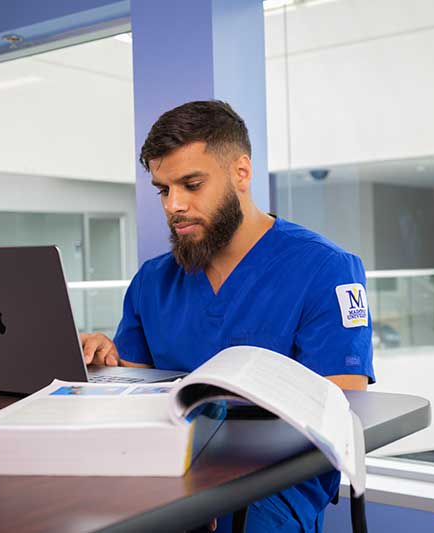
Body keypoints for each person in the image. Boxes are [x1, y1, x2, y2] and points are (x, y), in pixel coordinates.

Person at [80, 100, 374, 532]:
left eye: (191, 184)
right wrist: (105, 362)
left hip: (272, 487)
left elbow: (338, 413)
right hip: (168, 473)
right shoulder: (152, 281)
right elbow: (137, 395)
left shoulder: (326, 268)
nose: (173, 205)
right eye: (164, 189)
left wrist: (213, 483)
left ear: (241, 172)